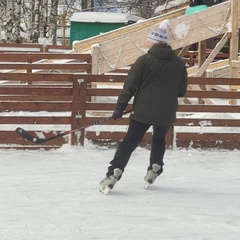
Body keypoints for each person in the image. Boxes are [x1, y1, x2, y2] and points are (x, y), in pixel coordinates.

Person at [99, 19, 188, 195]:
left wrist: (119, 108)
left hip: (142, 112)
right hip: (166, 113)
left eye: (149, 40)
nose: (146, 43)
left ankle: (114, 172)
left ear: (154, 42)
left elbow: (129, 87)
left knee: (130, 142)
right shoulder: (179, 64)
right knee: (158, 140)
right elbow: (181, 91)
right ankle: (155, 166)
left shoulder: (144, 60)